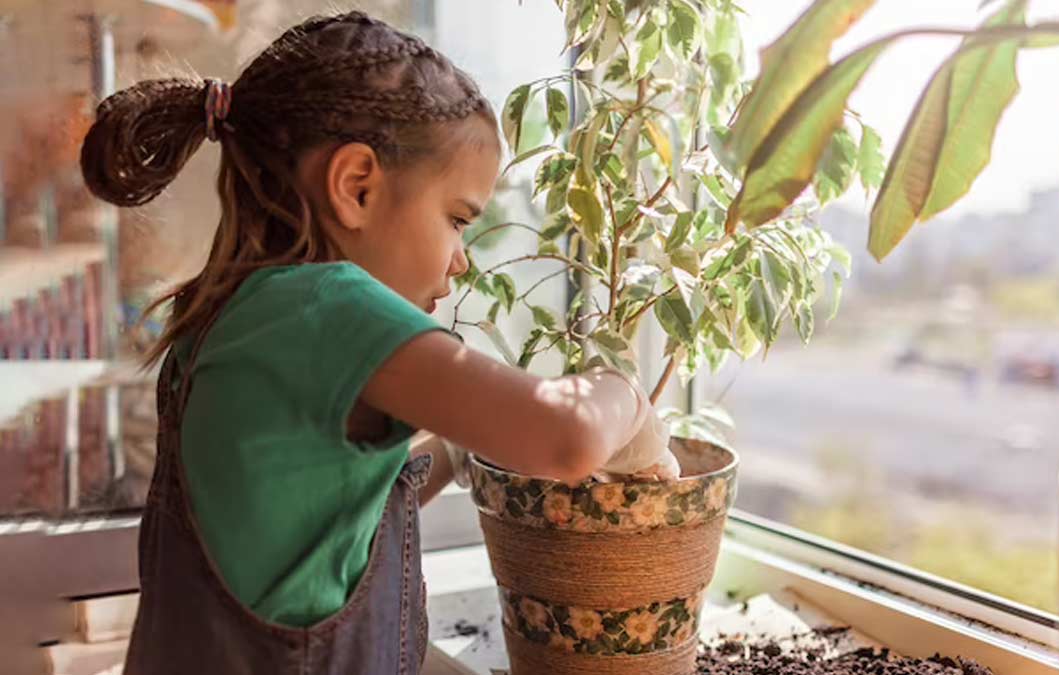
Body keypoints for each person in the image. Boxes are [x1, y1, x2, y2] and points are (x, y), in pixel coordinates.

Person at [80, 11, 677, 674]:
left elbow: (324, 523)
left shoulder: (236, 312)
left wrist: (460, 440)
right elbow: (566, 433)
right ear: (356, 186)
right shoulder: (324, 303)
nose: (462, 260)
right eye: (456, 219)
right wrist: (628, 401)